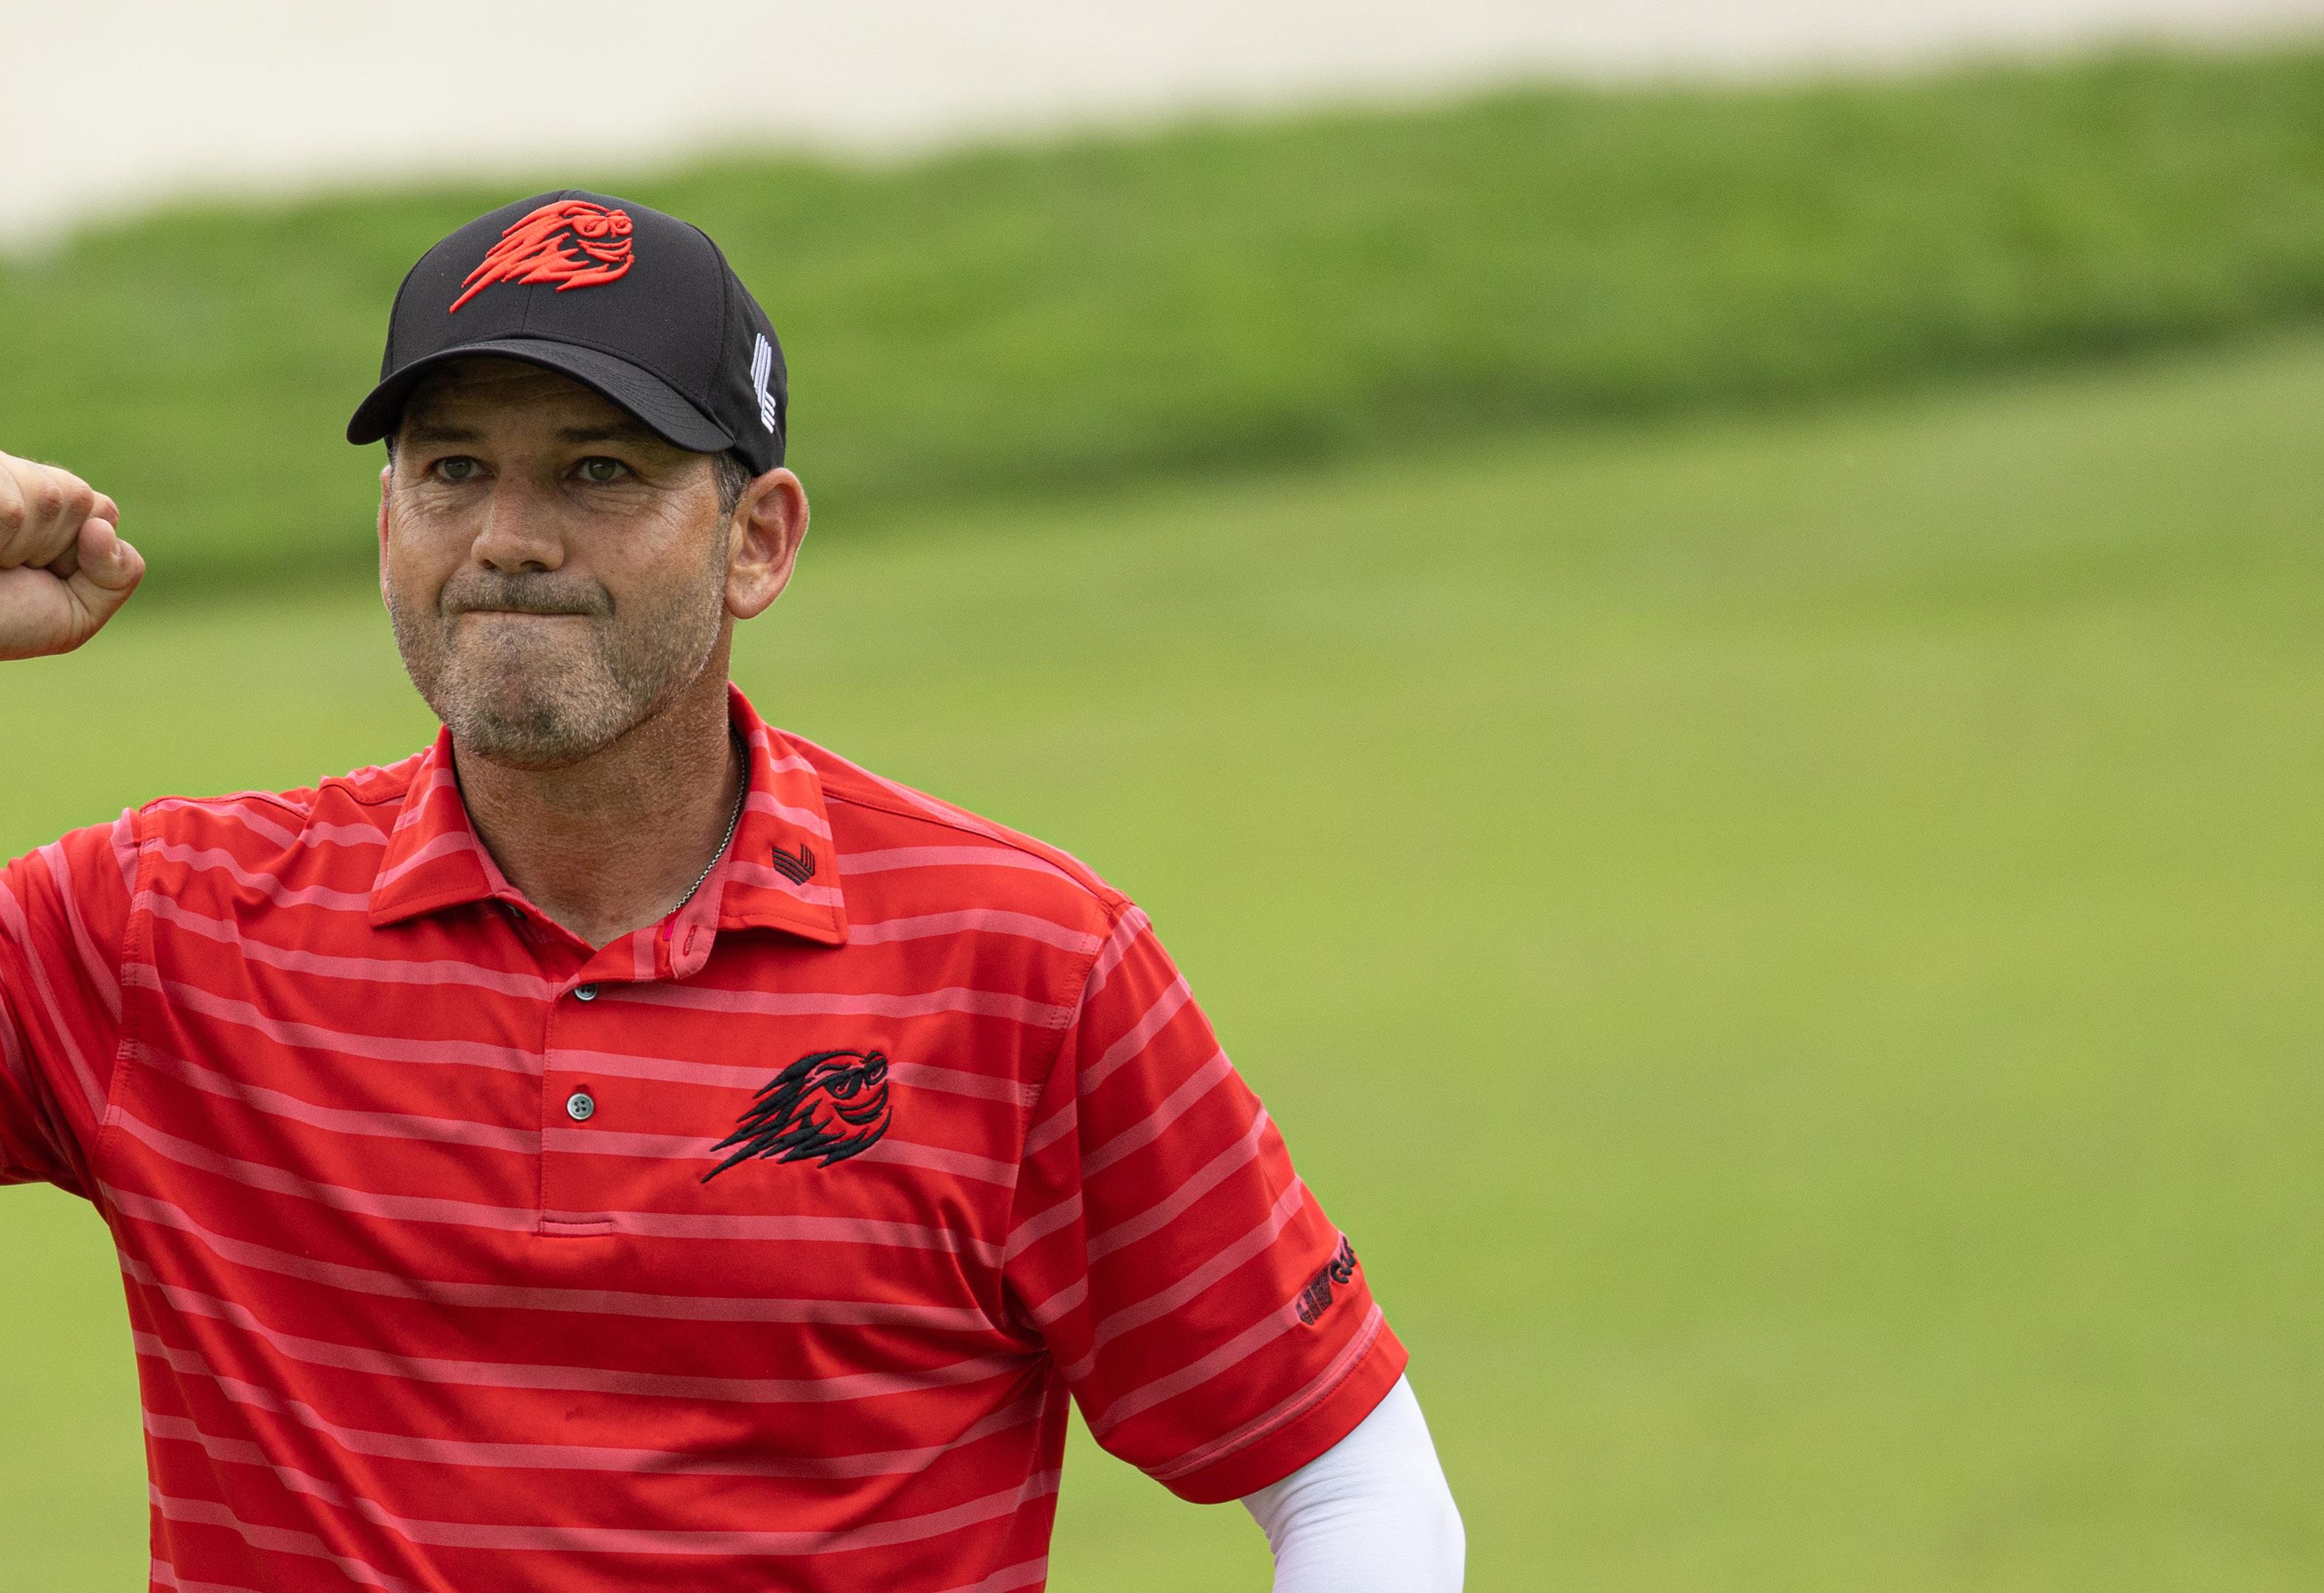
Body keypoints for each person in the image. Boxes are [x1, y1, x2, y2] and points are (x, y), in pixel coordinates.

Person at [0, 192, 1464, 1592]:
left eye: (598, 471)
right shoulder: (159, 929)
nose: (509, 536)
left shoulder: (1021, 965)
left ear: (757, 540)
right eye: (453, 469)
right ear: (388, 521)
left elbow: (1348, 1478)